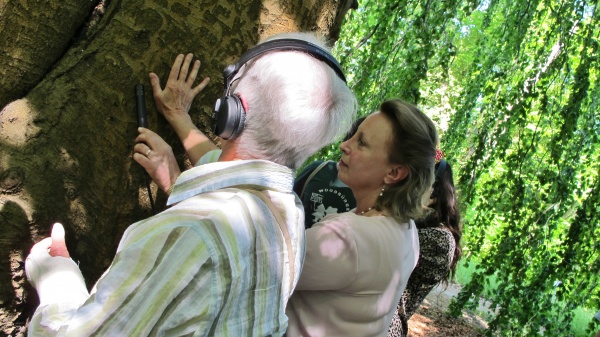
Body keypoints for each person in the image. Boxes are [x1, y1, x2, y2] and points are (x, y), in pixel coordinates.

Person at [24, 32, 357, 336]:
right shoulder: (289, 213)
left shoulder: (191, 232)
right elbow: (238, 169)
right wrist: (178, 120)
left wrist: (56, 277)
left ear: (233, 111)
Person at [285, 99, 439, 337]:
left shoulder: (346, 237)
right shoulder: (407, 232)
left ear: (394, 172)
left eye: (362, 143)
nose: (344, 145)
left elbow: (258, 266)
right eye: (353, 135)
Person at [387, 157, 462, 337]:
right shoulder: (412, 223)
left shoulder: (440, 239)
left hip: (387, 324)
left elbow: (387, 247)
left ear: (434, 193)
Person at [292, 117, 365, 228]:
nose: (343, 146)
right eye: (351, 137)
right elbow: (286, 206)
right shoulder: (318, 169)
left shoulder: (373, 200)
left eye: (362, 143)